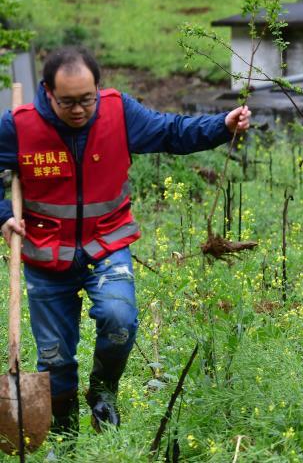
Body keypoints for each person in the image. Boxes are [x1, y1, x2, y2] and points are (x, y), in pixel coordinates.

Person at [0, 47, 251, 434]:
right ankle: (63, 433)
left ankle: (103, 392)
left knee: (120, 320)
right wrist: (4, 217)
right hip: (45, 254)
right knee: (55, 357)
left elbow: (171, 131)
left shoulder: (118, 112)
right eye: (68, 102)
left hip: (106, 242)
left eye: (87, 99)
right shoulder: (19, 125)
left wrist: (223, 125)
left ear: (97, 88)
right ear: (47, 92)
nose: (80, 109)